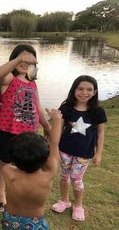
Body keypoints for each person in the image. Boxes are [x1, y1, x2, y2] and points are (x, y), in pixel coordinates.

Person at [0, 44, 51, 211]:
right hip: (7, 132)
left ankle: (19, 193)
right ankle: (1, 194)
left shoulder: (33, 84)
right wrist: (19, 59)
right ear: (14, 59)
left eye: (29, 58)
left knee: (24, 166)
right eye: (21, 57)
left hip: (29, 135)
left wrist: (46, 126)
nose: (25, 61)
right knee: (4, 163)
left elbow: (37, 106)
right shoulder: (8, 80)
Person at [51, 75, 107, 221]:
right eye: (80, 88)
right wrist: (55, 148)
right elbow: (57, 128)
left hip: (84, 153)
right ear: (74, 90)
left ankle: (78, 205)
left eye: (89, 89)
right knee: (64, 176)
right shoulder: (66, 108)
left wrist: (99, 153)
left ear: (94, 92)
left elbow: (100, 133)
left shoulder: (98, 111)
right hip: (64, 150)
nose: (84, 92)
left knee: (76, 179)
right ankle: (64, 200)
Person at [1, 108, 62, 230]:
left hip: (10, 220)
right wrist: (56, 120)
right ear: (45, 159)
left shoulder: (7, 170)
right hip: (35, 223)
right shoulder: (47, 175)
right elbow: (54, 143)